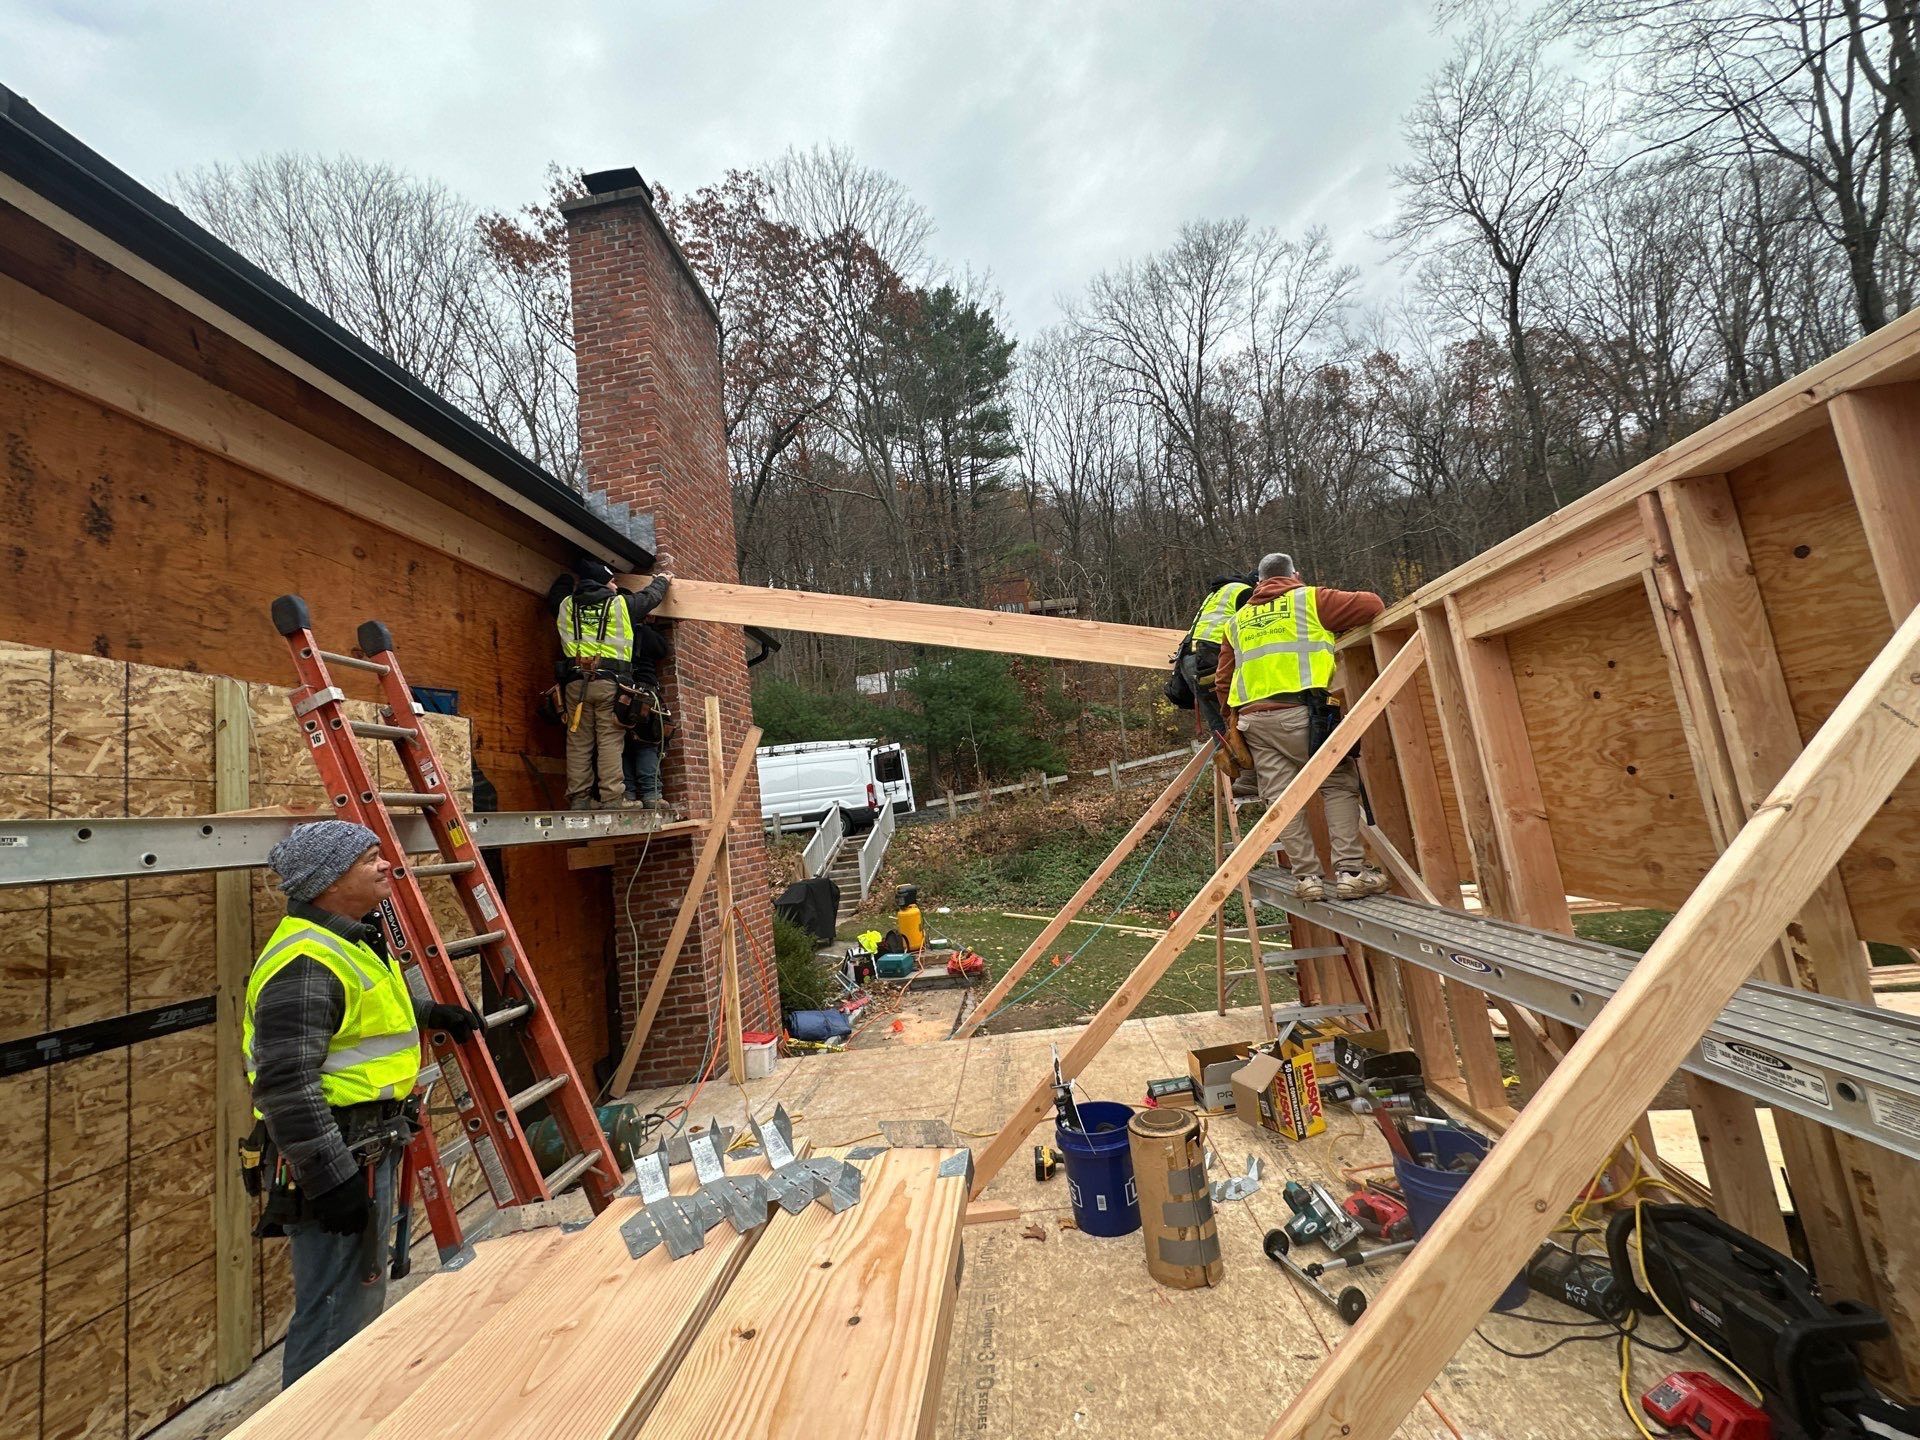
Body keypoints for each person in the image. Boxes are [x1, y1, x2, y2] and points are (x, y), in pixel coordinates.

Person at [244, 821, 482, 1385]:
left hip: (365, 1146)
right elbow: (285, 1085)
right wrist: (331, 1180)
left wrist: (431, 1015)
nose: (384, 865)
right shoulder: (306, 962)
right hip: (337, 1153)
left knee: (357, 1304)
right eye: (367, 858)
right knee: (334, 1317)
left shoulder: (345, 940)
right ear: (327, 879)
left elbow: (357, 1016)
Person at [1215, 552, 1387, 902]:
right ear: (1295, 573)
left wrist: (1231, 724)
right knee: (1337, 781)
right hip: (1302, 713)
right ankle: (1351, 873)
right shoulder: (1310, 599)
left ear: (1258, 583)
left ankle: (1307, 879)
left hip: (1253, 722)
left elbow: (1223, 680)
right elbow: (1372, 605)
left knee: (1280, 796)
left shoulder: (1237, 622)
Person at [554, 554, 672, 808]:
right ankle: (613, 798)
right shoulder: (620, 605)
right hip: (609, 682)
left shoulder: (565, 604)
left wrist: (566, 577)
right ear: (602, 583)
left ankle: (580, 800)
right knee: (609, 740)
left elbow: (557, 592)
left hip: (575, 684)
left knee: (578, 742)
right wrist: (662, 579)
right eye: (612, 581)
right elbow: (650, 597)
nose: (616, 586)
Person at [1182, 571, 1253, 743]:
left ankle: (1229, 768)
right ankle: (1247, 767)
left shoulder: (1216, 594)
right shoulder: (1244, 591)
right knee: (1240, 722)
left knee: (1219, 728)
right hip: (1211, 658)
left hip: (1189, 660)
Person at [621, 613, 672, 809]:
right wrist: (651, 625)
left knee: (623, 744)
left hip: (620, 693)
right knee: (647, 742)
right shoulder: (643, 632)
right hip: (644, 694)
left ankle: (629, 794)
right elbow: (662, 649)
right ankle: (651, 795)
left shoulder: (614, 629)